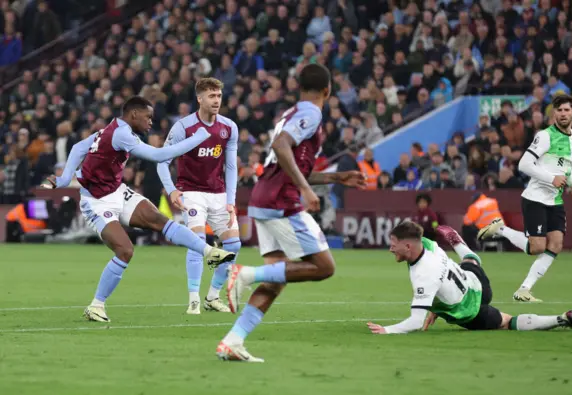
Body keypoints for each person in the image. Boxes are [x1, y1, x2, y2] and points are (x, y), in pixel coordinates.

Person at [215, 64, 366, 362]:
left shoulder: (292, 113)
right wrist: (306, 191)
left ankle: (233, 341)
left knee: (276, 279)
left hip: (264, 198)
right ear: (328, 91)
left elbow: (289, 162)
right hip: (280, 202)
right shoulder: (312, 114)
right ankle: (244, 274)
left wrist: (335, 178)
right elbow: (281, 146)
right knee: (324, 266)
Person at [42, 96, 235, 323]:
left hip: (117, 191)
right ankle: (96, 306)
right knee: (125, 251)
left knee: (158, 219)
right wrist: (199, 137)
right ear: (134, 115)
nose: (151, 122)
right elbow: (158, 155)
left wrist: (65, 178)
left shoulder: (112, 129)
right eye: (148, 117)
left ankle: (209, 253)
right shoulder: (121, 133)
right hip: (96, 201)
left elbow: (78, 147)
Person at [366, 221, 572, 334]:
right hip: (476, 282)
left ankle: (562, 318)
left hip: (471, 311)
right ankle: (458, 243)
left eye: (393, 245)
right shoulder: (427, 244)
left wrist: (387, 330)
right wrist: (435, 306)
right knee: (470, 262)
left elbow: (416, 322)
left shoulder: (424, 275)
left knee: (506, 323)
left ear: (407, 246)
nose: (390, 249)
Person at [478, 94, 572, 303]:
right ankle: (500, 229)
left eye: (567, 110)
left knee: (556, 244)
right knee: (536, 248)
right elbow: (524, 165)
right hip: (535, 198)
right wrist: (551, 178)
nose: (563, 114)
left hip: (556, 200)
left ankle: (524, 289)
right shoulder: (545, 136)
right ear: (554, 113)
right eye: (559, 110)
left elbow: (566, 166)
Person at [157, 78, 240, 315]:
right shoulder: (184, 127)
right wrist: (172, 189)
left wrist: (231, 201)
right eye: (211, 96)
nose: (216, 100)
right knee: (197, 244)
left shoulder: (229, 127)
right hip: (191, 192)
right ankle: (193, 299)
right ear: (200, 99)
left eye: (219, 96)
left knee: (234, 245)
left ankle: (212, 296)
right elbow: (163, 161)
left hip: (218, 194)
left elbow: (231, 167)